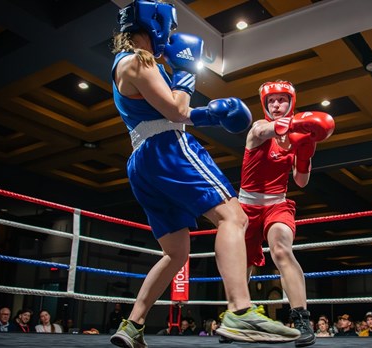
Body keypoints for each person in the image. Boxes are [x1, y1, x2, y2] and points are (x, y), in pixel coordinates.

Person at [109, 1, 299, 347]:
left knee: (175, 253)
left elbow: (164, 112)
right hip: (168, 150)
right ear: (155, 25)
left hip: (142, 161)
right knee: (234, 217)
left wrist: (211, 115)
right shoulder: (140, 59)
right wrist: (186, 71)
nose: (169, 36)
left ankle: (132, 324)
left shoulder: (122, 64)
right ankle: (240, 311)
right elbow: (177, 109)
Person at [238, 80, 335, 347]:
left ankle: (301, 318)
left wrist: (304, 153)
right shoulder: (258, 128)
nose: (277, 105)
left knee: (281, 249)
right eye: (272, 101)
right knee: (242, 263)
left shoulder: (297, 139)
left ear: (291, 103)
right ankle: (237, 318)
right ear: (265, 105)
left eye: (282, 100)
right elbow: (268, 129)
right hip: (246, 206)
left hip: (277, 204)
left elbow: (301, 182)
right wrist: (300, 125)